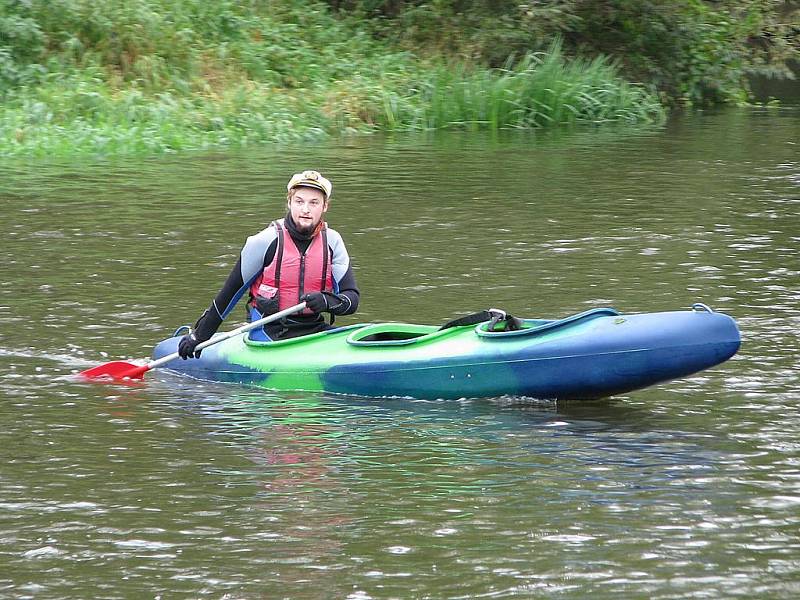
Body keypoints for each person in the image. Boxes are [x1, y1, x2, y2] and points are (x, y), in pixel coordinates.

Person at [177, 170, 359, 359]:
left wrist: (327, 301)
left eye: (314, 203)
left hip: (315, 329)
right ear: (289, 203)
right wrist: (199, 336)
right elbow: (228, 296)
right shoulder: (264, 241)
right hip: (268, 331)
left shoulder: (333, 241)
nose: (306, 209)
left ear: (325, 207)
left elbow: (351, 298)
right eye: (299, 201)